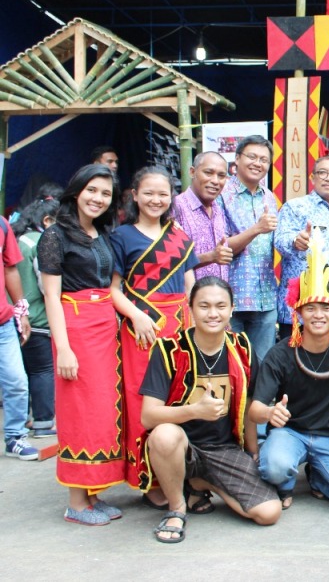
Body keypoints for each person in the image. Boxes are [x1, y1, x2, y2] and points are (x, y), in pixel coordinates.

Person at [140, 277, 281, 543]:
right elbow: (149, 416)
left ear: (231, 309)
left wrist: (253, 451)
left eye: (220, 306)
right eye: (204, 306)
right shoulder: (168, 349)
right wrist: (194, 411)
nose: (213, 313)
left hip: (223, 449)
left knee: (268, 512)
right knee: (164, 435)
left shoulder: (242, 348)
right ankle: (177, 507)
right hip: (180, 446)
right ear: (190, 307)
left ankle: (201, 482)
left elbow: (250, 404)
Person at [252, 235, 329, 514]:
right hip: (290, 432)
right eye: (311, 308)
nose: (319, 315)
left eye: (326, 308)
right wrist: (269, 415)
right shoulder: (280, 354)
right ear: (299, 313)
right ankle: (285, 480)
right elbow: (255, 408)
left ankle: (319, 476)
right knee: (274, 468)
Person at [39, 165, 124, 522]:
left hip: (104, 328)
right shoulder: (55, 236)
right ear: (76, 191)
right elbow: (51, 297)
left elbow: (109, 288)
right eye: (92, 190)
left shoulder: (102, 234)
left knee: (103, 412)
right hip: (75, 330)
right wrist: (65, 348)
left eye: (105, 194)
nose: (98, 199)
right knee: (81, 412)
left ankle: (92, 493)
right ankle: (76, 504)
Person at [110, 166, 197, 502]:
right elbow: (113, 289)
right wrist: (136, 316)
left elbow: (190, 288)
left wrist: (193, 324)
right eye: (148, 193)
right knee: (141, 401)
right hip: (140, 332)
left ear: (171, 197)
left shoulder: (180, 237)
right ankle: (147, 480)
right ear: (135, 195)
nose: (156, 200)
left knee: (178, 396)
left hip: (178, 328)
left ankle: (177, 477)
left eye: (163, 194)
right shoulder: (121, 237)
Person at [274, 154, 329, 335]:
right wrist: (296, 241)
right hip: (300, 307)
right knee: (295, 361)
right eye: (322, 173)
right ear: (312, 178)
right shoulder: (295, 207)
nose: (328, 178)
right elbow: (280, 240)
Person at [222, 135, 279, 362]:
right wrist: (256, 229)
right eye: (252, 157)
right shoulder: (222, 195)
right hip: (231, 296)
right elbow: (221, 247)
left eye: (264, 160)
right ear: (237, 159)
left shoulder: (270, 198)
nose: (258, 163)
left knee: (263, 366)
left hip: (265, 296)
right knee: (231, 365)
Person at [12, 197, 60, 438]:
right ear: (47, 221)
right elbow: (46, 285)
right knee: (44, 371)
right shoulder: (40, 242)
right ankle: (44, 422)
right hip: (39, 318)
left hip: (18, 317)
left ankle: (31, 418)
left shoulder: (19, 240)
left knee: (29, 371)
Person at [1, 210, 35, 460]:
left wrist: (21, 310)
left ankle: (15, 436)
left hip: (2, 322)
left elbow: (11, 268)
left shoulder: (2, 225)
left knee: (17, 381)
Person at [172, 151, 232, 281]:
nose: (215, 181)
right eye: (208, 173)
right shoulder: (176, 208)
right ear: (192, 172)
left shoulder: (219, 209)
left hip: (219, 296)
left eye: (221, 175)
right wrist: (210, 257)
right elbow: (169, 263)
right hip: (189, 298)